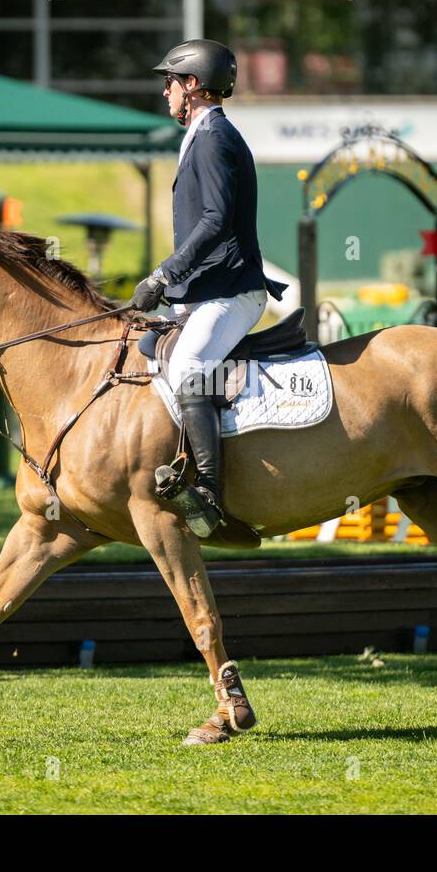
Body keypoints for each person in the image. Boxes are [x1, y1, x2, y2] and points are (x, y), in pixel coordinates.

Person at [130, 39, 288, 536]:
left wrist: (164, 274)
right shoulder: (202, 133)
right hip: (207, 289)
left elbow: (217, 220)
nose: (165, 94)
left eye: (169, 84)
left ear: (192, 86)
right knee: (147, 345)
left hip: (233, 291)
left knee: (191, 365)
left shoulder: (215, 136)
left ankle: (209, 493)